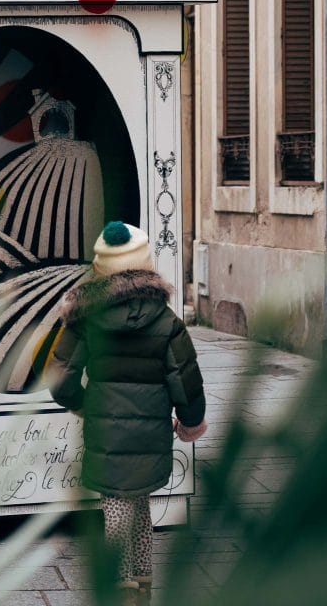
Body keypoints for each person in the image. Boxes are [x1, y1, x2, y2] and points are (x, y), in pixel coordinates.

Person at [46, 221, 207, 603]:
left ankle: (122, 588)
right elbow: (185, 380)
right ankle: (143, 582)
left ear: (99, 269)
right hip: (150, 433)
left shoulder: (85, 317)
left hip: (106, 433)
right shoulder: (167, 321)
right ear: (145, 267)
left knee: (116, 509)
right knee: (139, 505)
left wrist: (85, 406)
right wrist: (190, 422)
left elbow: (60, 379)